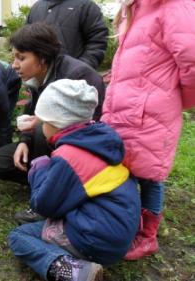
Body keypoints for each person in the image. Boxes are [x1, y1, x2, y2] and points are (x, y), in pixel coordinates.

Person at [8, 79, 140, 281]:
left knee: (19, 237)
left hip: (97, 240)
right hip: (119, 230)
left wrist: (39, 168)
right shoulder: (100, 139)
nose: (41, 127)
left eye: (43, 121)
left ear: (55, 123)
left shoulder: (69, 157)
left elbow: (43, 205)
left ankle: (76, 272)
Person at [101, 0, 195, 260]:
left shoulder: (174, 6)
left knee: (151, 174)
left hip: (151, 109)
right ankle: (128, 224)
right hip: (125, 107)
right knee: (126, 166)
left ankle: (147, 236)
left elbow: (192, 63)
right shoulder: (137, 6)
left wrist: (176, 100)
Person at [0, 23, 105, 202]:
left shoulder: (78, 77)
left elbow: (89, 128)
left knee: (43, 131)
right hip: (50, 145)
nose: (14, 65)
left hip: (81, 152)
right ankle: (46, 181)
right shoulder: (38, 77)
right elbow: (32, 113)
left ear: (42, 57)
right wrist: (24, 141)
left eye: (21, 58)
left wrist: (41, 123)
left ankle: (54, 194)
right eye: (14, 58)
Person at [26, 0, 108, 69]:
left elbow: (97, 42)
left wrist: (80, 69)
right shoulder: (37, 7)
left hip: (74, 81)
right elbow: (26, 43)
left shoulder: (86, 6)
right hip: (40, 80)